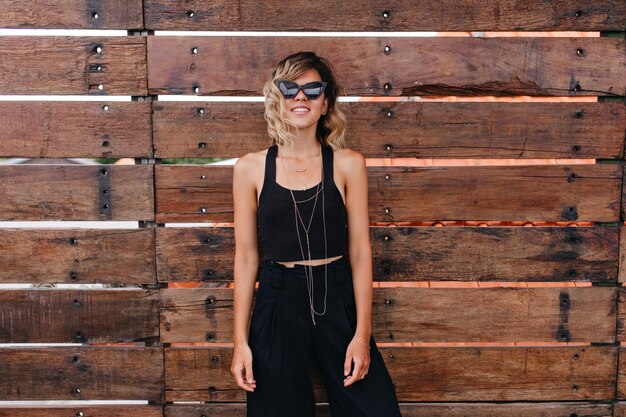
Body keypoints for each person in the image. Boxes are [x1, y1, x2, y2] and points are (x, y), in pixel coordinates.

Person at [231, 51, 402, 417]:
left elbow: (359, 252)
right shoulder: (249, 168)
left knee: (375, 410)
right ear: (277, 99)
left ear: (326, 104)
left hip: (337, 298)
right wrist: (240, 342)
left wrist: (361, 335)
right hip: (278, 302)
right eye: (289, 88)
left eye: (312, 89)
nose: (300, 97)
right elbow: (246, 257)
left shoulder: (348, 164)